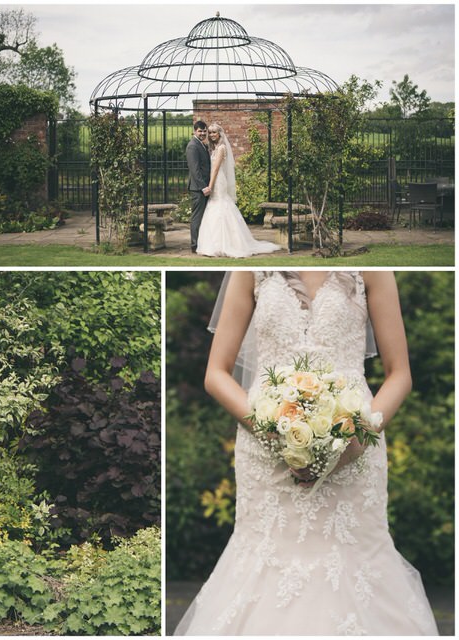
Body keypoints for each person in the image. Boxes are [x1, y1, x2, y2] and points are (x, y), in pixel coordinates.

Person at [175, 271, 438, 635]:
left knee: (352, 560)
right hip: (265, 448)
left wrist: (361, 437)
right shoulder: (250, 271)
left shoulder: (372, 271)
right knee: (268, 558)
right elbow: (216, 374)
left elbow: (400, 375)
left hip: (354, 447)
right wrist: (271, 432)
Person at [195, 124, 279, 258]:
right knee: (214, 207)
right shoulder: (213, 147)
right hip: (214, 178)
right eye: (209, 133)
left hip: (217, 180)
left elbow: (216, 169)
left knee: (221, 205)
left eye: (214, 132)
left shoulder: (221, 148)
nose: (211, 135)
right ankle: (214, 244)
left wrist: (210, 186)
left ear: (220, 134)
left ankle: (226, 244)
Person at [185, 120, 211, 252]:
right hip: (198, 188)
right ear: (195, 131)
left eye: (204, 131)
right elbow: (195, 170)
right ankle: (194, 246)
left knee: (204, 217)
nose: (202, 133)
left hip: (205, 187)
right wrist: (203, 187)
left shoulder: (202, 144)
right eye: (200, 131)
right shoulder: (192, 146)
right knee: (197, 217)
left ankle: (202, 242)